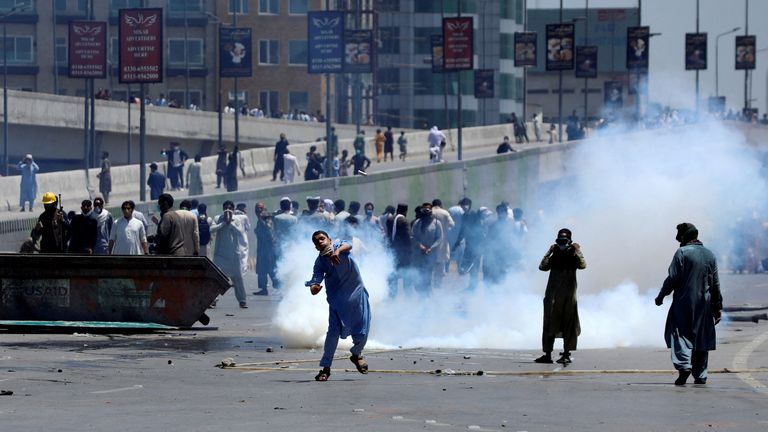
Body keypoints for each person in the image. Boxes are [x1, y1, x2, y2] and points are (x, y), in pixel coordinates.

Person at [655, 223, 723, 386]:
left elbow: (673, 278)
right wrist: (717, 306)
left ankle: (684, 366)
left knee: (680, 334)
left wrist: (661, 295)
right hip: (704, 304)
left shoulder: (682, 253)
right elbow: (715, 283)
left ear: (685, 236)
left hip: (683, 303)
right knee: (701, 336)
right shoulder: (709, 254)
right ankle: (700, 374)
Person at [305, 230, 371, 382]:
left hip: (357, 296)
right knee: (332, 333)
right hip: (337, 301)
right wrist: (314, 288)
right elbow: (316, 279)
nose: (320, 242)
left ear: (329, 239)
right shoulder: (320, 262)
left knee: (362, 332)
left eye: (322, 239)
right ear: (316, 247)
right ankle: (325, 368)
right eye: (317, 242)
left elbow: (348, 245)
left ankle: (356, 355)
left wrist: (337, 252)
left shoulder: (340, 246)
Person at [535, 228, 586, 365]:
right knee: (549, 324)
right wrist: (549, 252)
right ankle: (547, 354)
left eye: (564, 240)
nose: (562, 243)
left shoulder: (573, 255)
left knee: (568, 325)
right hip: (552, 296)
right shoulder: (555, 254)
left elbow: (583, 265)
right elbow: (542, 267)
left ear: (569, 241)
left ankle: (566, 353)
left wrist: (578, 251)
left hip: (568, 297)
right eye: (560, 240)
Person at [211, 206, 249, 308]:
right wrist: (223, 224)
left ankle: (242, 300)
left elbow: (241, 232)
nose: (228, 211)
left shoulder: (237, 219)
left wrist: (230, 224)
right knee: (216, 278)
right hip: (220, 255)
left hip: (233, 256)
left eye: (230, 209)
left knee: (237, 278)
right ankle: (213, 300)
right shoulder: (218, 218)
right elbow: (211, 229)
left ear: (233, 209)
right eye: (226, 209)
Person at [410, 203, 444, 294]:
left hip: (431, 254)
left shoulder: (437, 223)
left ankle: (427, 294)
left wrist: (431, 248)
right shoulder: (417, 223)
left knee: (428, 274)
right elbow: (413, 237)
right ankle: (422, 292)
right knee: (419, 274)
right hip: (418, 254)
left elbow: (439, 238)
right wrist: (420, 246)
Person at [253, 202, 279, 296]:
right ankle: (263, 289)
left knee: (271, 269)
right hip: (262, 248)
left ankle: (279, 287)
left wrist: (261, 220)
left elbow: (269, 229)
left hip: (269, 248)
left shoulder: (266, 217)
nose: (258, 210)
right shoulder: (260, 219)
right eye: (257, 208)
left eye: (260, 208)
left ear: (264, 209)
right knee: (261, 269)